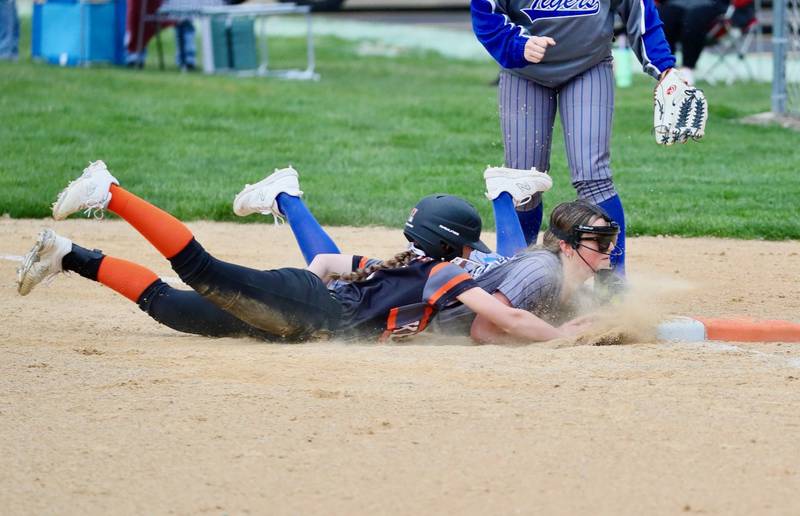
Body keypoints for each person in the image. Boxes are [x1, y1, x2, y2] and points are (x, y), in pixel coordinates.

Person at [17, 161, 592, 344]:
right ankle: (110, 191)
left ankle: (67, 255)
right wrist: (566, 336)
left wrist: (323, 287)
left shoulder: (406, 264)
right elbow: (507, 318)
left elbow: (324, 263)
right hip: (309, 309)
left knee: (170, 307)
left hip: (304, 311)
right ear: (456, 247)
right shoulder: (443, 274)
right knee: (200, 270)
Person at [232, 166, 618, 344]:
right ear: (569, 245)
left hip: (478, 268)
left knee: (514, 263)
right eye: (601, 243)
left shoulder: (556, 269)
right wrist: (555, 336)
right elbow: (490, 325)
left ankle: (503, 193)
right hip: (453, 281)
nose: (610, 251)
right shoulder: (543, 270)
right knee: (358, 284)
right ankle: (286, 196)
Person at [470, 0, 679, 282]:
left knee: (594, 178)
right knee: (521, 182)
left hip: (589, 65)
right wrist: (515, 44)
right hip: (524, 71)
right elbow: (486, 14)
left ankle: (612, 285)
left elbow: (640, 12)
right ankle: (517, 279)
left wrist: (665, 69)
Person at [658, 0, 755, 84]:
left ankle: (687, 68)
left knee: (694, 17)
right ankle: (668, 69)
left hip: (712, 9)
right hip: (679, 5)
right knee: (667, 14)